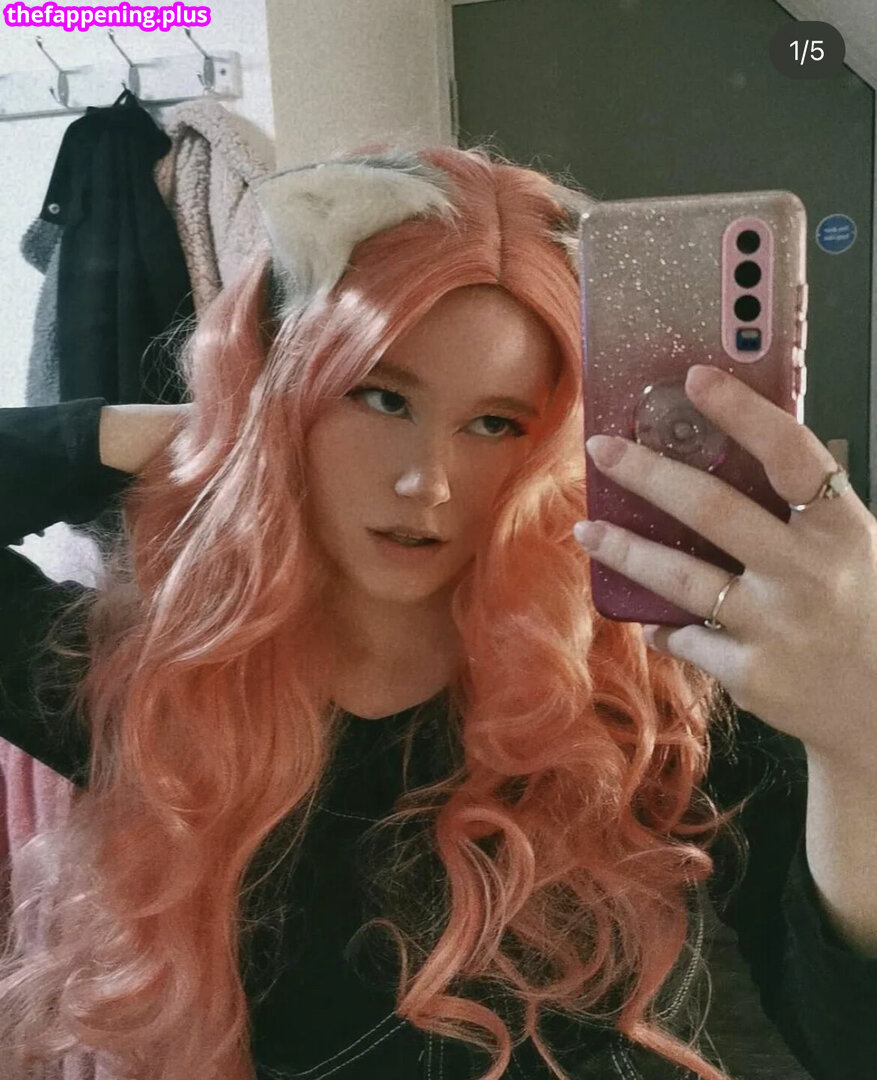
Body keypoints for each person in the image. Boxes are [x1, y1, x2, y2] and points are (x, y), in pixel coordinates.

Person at [0, 144, 874, 1080]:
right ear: (286, 392)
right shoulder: (151, 684)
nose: (428, 482)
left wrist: (856, 743)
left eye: (495, 424)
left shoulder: (661, 700)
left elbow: (847, 1040)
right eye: (381, 398)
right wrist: (202, 431)